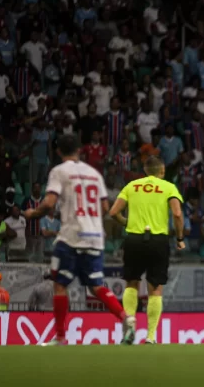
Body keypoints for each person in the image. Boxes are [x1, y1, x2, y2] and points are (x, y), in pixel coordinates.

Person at [23, 134, 134, 346]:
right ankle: (125, 317)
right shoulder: (95, 174)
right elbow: (104, 208)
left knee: (60, 284)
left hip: (70, 238)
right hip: (94, 238)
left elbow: (49, 202)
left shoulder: (59, 171)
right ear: (79, 150)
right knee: (96, 286)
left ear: (58, 152)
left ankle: (61, 337)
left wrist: (33, 214)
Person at [109, 155, 185, 345]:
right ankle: (150, 336)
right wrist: (180, 238)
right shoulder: (168, 187)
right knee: (155, 289)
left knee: (131, 284)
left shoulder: (132, 186)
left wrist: (127, 223)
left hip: (134, 239)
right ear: (162, 171)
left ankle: (130, 326)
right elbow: (177, 213)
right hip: (158, 241)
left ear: (145, 170)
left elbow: (112, 212)